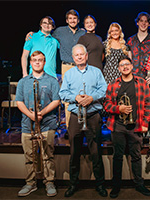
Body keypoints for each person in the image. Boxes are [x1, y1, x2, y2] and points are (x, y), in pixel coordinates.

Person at [59, 44, 108, 197]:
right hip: (75, 116)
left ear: (86, 55)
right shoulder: (69, 74)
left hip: (93, 115)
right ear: (73, 58)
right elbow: (63, 93)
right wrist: (76, 98)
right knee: (74, 152)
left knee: (96, 152)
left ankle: (100, 184)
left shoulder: (96, 72)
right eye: (76, 55)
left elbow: (104, 89)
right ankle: (73, 184)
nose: (79, 57)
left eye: (82, 54)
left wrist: (92, 98)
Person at [103, 56, 150, 198]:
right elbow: (106, 104)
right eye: (122, 65)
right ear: (119, 69)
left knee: (136, 156)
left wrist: (145, 123)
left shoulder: (141, 83)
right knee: (117, 157)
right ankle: (116, 186)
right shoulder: (113, 85)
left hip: (136, 126)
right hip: (118, 126)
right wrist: (119, 109)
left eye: (127, 64)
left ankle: (139, 184)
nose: (125, 67)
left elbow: (149, 104)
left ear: (132, 66)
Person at [16, 51, 60, 197]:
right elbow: (19, 102)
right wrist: (32, 116)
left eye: (40, 60)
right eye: (34, 60)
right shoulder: (23, 81)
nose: (37, 62)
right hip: (28, 125)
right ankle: (30, 183)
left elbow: (56, 100)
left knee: (48, 156)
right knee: (29, 157)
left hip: (47, 124)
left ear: (44, 62)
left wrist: (42, 113)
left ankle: (49, 182)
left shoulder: (52, 80)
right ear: (30, 62)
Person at [127, 12, 150, 84]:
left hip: (148, 77)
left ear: (149, 24)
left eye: (146, 21)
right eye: (141, 21)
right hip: (133, 76)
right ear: (137, 23)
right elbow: (129, 59)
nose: (143, 23)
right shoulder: (130, 40)